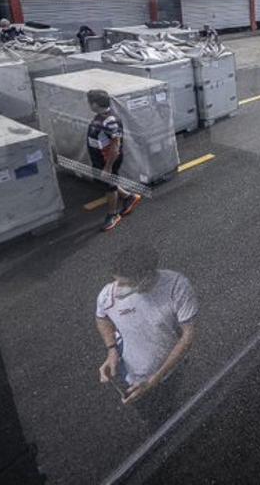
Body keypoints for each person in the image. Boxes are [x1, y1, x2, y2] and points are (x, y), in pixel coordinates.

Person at [96, 245, 197, 425]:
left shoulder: (177, 287)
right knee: (151, 417)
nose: (117, 288)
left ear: (147, 277)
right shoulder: (107, 294)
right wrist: (111, 350)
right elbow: (102, 317)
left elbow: (187, 337)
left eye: (125, 283)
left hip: (170, 370)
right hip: (133, 375)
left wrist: (154, 380)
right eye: (117, 281)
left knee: (174, 408)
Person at [86, 89, 142, 231]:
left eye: (90, 102)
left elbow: (115, 146)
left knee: (109, 187)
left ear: (96, 104)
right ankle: (130, 197)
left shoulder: (110, 120)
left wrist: (108, 167)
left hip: (108, 160)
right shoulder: (101, 116)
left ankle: (113, 214)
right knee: (108, 182)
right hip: (100, 158)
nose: (88, 105)